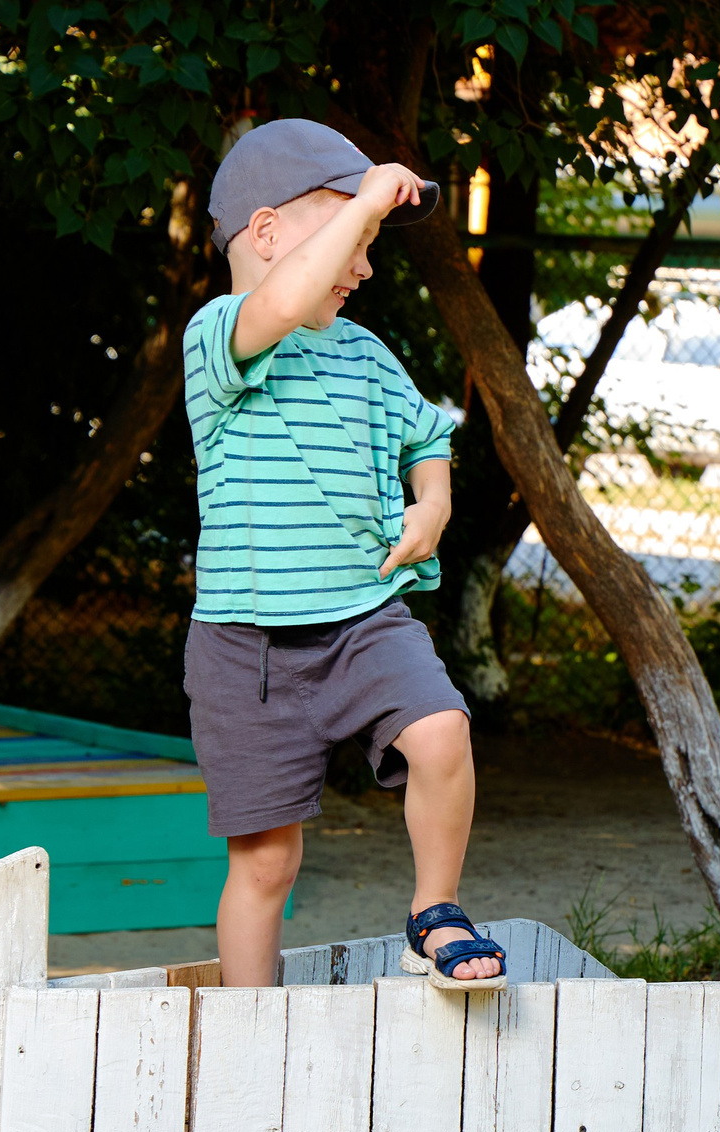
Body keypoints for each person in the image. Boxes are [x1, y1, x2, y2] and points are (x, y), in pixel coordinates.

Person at [183, 119, 504, 992]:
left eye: (368, 244)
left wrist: (433, 501)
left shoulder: (364, 353)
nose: (363, 265)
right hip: (245, 647)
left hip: (364, 619)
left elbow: (425, 433)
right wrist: (368, 199)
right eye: (351, 239)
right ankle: (251, 1032)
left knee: (442, 732)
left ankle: (433, 913)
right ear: (267, 232)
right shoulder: (220, 336)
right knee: (266, 863)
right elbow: (281, 305)